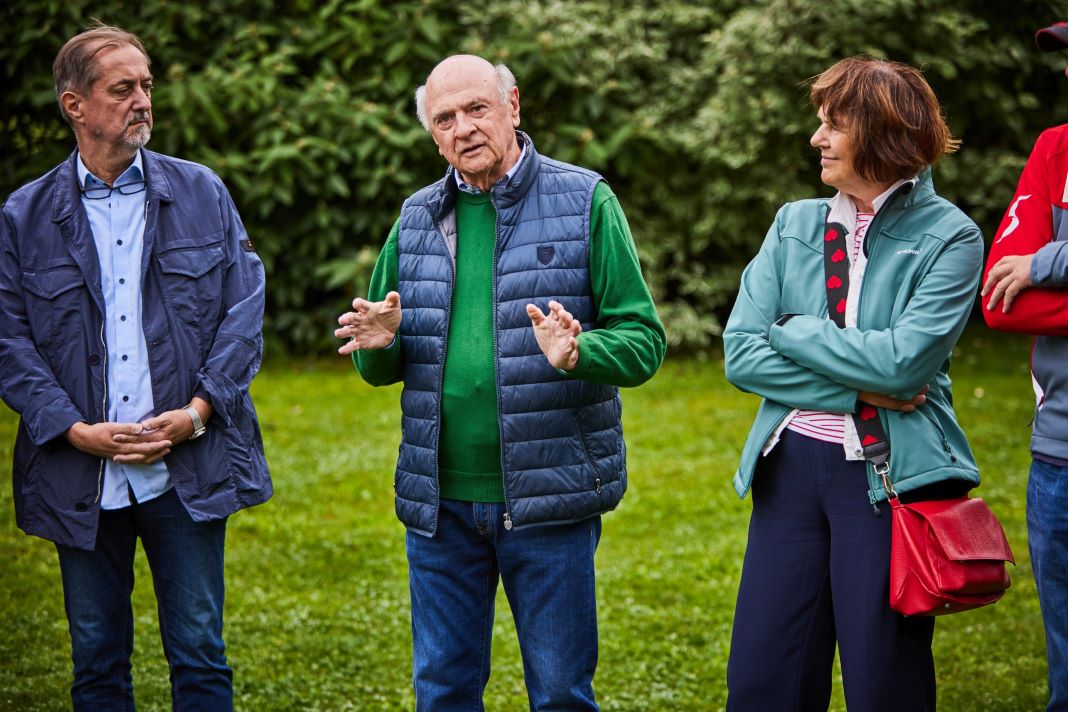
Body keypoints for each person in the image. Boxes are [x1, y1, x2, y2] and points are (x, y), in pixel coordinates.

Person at [335, 54, 665, 710]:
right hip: (441, 506)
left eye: (477, 109)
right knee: (444, 691)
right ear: (432, 134)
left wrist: (581, 352)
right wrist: (378, 346)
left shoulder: (584, 200)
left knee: (561, 693)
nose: (463, 128)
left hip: (549, 498)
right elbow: (380, 359)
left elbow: (645, 342)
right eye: (445, 118)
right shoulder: (417, 217)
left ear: (513, 105)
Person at [0, 24, 270, 710]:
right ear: (75, 106)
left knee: (202, 653)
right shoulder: (24, 216)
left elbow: (244, 309)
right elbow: (10, 341)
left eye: (147, 85)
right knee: (95, 660)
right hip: (79, 471)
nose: (143, 100)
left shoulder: (201, 191)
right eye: (124, 89)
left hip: (185, 470)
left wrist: (200, 411)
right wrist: (71, 429)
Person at [722, 57, 983, 710]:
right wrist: (854, 389)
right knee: (762, 681)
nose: (817, 139)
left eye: (833, 125)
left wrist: (791, 329)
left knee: (883, 681)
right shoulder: (794, 223)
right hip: (790, 470)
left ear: (880, 132)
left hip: (887, 477)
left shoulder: (952, 236)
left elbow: (904, 366)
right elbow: (740, 354)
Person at [981, 22, 1068, 711]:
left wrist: (1048, 263)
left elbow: (1027, 280)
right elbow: (1001, 303)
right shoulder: (1055, 150)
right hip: (1060, 459)